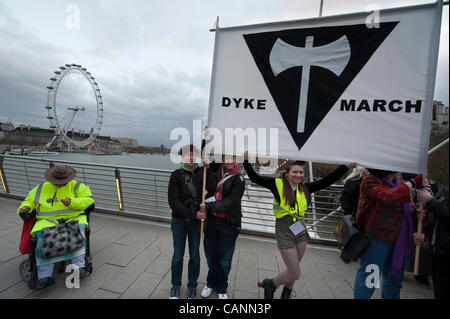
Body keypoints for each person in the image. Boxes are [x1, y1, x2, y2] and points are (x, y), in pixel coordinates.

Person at [243, 151, 355, 299]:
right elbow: (255, 177)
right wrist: (246, 161)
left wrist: (346, 167)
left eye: (301, 172)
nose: (299, 175)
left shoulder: (305, 188)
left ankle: (286, 294)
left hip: (300, 228)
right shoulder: (276, 184)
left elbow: (327, 180)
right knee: (295, 272)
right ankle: (270, 283)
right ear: (287, 173)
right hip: (284, 229)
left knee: (294, 267)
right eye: (295, 172)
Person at [17, 164, 94, 290]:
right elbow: (28, 201)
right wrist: (25, 208)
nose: (60, 184)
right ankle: (44, 276)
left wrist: (72, 202)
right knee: (41, 237)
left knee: (78, 233)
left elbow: (89, 201)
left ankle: (79, 267)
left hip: (73, 218)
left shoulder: (78, 187)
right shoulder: (40, 188)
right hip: (47, 221)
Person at [353, 169, 423, 299]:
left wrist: (417, 215)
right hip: (377, 239)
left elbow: (408, 210)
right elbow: (387, 197)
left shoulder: (399, 184)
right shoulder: (370, 181)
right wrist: (412, 183)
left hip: (399, 242)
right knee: (370, 279)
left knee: (394, 281)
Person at [167, 144, 216, 299]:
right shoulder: (176, 175)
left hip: (195, 224)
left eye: (193, 155)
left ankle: (192, 286)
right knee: (178, 256)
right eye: (187, 155)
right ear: (181, 157)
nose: (190, 157)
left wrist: (209, 169)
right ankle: (175, 286)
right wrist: (195, 214)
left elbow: (213, 188)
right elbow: (174, 202)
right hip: (179, 222)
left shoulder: (202, 172)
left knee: (195, 256)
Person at [199, 154, 245, 300]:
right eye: (226, 158)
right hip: (212, 222)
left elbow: (231, 202)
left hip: (229, 224)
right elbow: (206, 153)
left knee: (225, 259)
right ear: (223, 159)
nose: (229, 161)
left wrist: (208, 206)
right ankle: (210, 283)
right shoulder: (217, 171)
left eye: (232, 158)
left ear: (235, 160)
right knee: (211, 255)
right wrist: (206, 138)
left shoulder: (239, 178)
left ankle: (222, 287)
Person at [415, 184, 448, 299]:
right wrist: (424, 230)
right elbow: (436, 216)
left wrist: (430, 201)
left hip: (445, 252)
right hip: (438, 249)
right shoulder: (445, 190)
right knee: (439, 290)